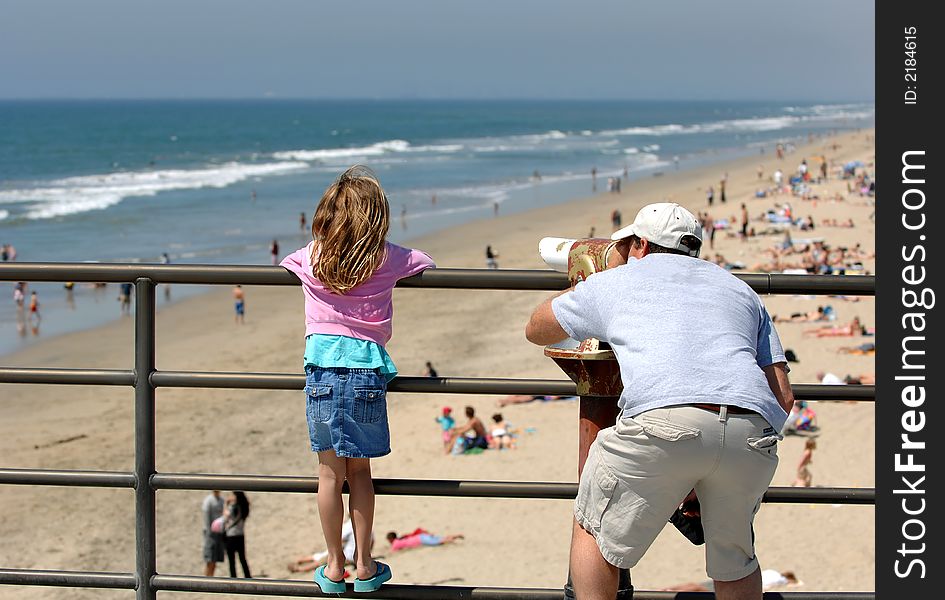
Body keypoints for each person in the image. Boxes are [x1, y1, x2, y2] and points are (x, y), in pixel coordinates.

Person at [525, 202, 794, 600]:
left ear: (639, 244)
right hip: (751, 433)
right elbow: (783, 396)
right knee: (736, 560)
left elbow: (537, 329)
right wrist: (706, 464)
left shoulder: (616, 282)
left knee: (592, 529)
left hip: (664, 423)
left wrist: (595, 276)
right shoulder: (740, 289)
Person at [280, 165, 435, 594]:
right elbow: (425, 261)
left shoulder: (312, 257)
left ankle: (333, 566)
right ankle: (365, 565)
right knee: (360, 474)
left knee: (329, 476)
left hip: (322, 372)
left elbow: (285, 262)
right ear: (377, 219)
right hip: (366, 372)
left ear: (325, 216)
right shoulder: (386, 257)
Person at [288, 517, 373, 575]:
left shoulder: (350, 524)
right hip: (359, 556)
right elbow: (372, 542)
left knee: (324, 560)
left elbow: (339, 538)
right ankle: (299, 561)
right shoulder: (369, 527)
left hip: (349, 556)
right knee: (323, 555)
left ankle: (299, 569)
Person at [224, 491, 252, 578]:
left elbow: (225, 516)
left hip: (231, 536)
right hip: (240, 535)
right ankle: (247, 577)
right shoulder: (244, 507)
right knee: (242, 559)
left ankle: (233, 578)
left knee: (232, 561)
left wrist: (226, 503)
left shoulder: (233, 507)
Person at [202, 491, 226, 576]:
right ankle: (206, 579)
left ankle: (210, 577)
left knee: (215, 560)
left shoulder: (222, 500)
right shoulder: (208, 500)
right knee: (209, 559)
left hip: (219, 532)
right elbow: (207, 517)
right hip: (210, 534)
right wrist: (209, 532)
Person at [386, 529, 464, 552]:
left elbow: (392, 551)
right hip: (420, 536)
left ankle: (452, 541)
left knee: (439, 542)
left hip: (421, 539)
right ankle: (455, 536)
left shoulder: (396, 543)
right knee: (440, 538)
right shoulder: (400, 539)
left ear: (391, 539)